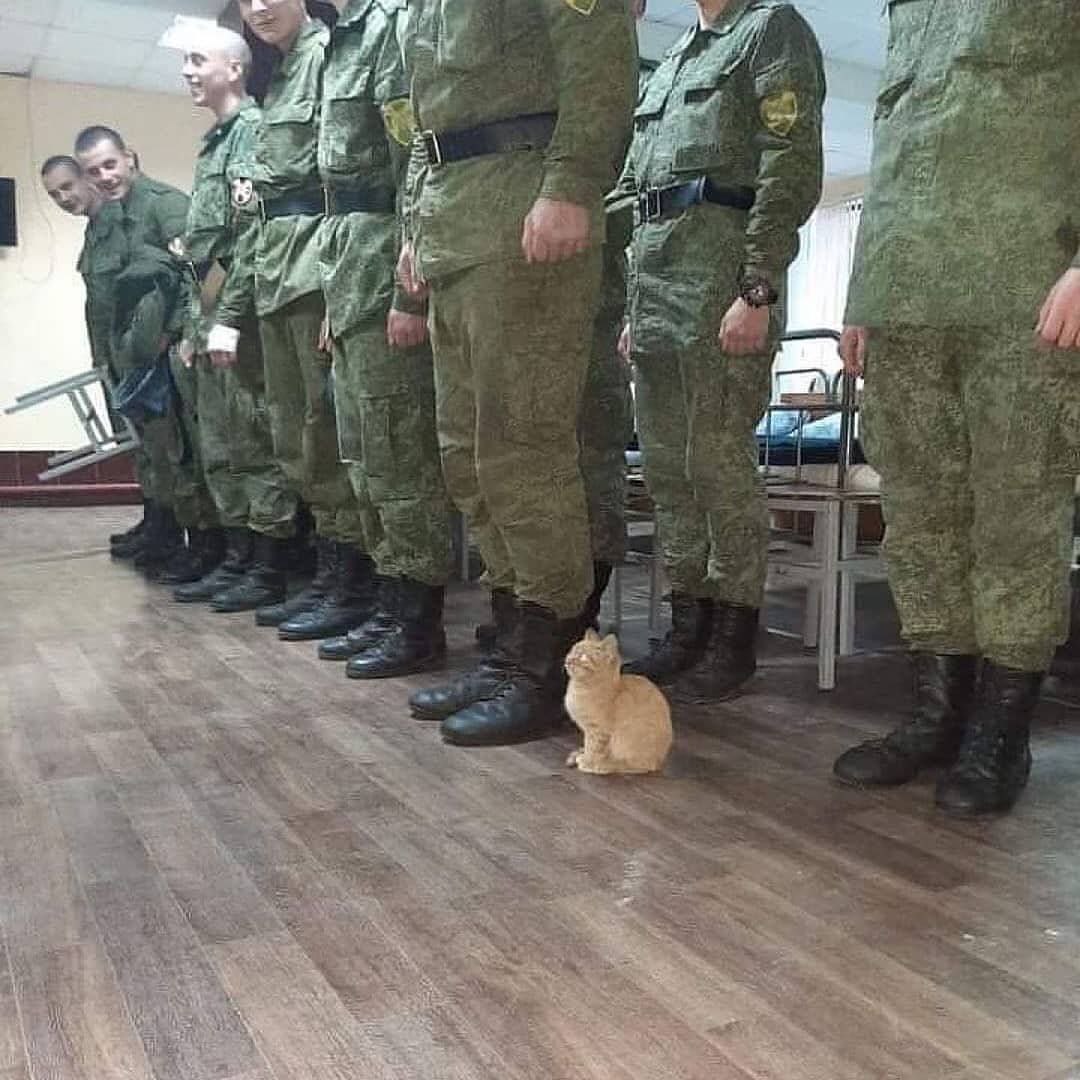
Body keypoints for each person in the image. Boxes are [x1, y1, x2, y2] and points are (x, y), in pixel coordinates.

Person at [831, 2, 1080, 817]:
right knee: (922, 518)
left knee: (1018, 511)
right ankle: (938, 715)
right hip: (906, 296)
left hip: (1025, 287)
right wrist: (864, 291)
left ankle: (998, 735)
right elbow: (898, 147)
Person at [400, 0, 638, 746]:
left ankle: (549, 663)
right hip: (454, 227)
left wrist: (569, 186)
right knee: (468, 458)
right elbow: (425, 124)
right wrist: (414, 224)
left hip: (525, 216)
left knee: (522, 451)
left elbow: (600, 63)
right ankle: (510, 650)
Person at [617, 0, 825, 703]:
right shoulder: (675, 60)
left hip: (720, 290)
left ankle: (733, 638)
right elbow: (639, 196)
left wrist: (758, 288)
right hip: (656, 296)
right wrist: (632, 305)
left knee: (716, 467)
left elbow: (789, 166)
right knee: (669, 475)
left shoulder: (771, 29)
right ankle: (688, 626)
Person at [211, 0, 378, 634]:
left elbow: (346, 189)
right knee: (298, 442)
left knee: (333, 440)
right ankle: (333, 578)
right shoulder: (273, 79)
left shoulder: (327, 58)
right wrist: (231, 312)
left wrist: (344, 291)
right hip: (278, 281)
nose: (257, 8)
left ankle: (358, 585)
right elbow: (259, 217)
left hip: (319, 276)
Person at [309, 0, 454, 673]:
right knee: (364, 459)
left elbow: (414, 168)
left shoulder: (388, 27)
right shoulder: (337, 41)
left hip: (383, 276)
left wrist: (408, 290)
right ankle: (389, 606)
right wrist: (333, 302)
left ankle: (418, 624)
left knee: (401, 459)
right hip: (349, 275)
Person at [162, 21, 301, 606]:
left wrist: (226, 315)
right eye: (185, 62)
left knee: (252, 439)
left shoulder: (250, 130)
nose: (188, 72)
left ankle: (267, 566)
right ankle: (240, 554)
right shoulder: (217, 140)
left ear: (235, 68)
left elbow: (247, 238)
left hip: (237, 309)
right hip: (210, 308)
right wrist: (196, 321)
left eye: (198, 60)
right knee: (220, 442)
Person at [75, 126, 216, 582]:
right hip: (139, 354)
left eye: (110, 165)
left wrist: (177, 334)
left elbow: (200, 277)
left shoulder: (164, 205)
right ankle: (172, 533)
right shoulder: (116, 216)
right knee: (157, 451)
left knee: (183, 451)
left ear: (129, 158)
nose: (105, 177)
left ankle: (206, 546)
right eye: (94, 171)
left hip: (173, 352)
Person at [40, 156, 145, 554]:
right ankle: (155, 521)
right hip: (111, 359)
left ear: (87, 178)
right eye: (54, 194)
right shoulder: (95, 230)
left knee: (161, 450)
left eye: (67, 186)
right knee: (137, 448)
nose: (63, 198)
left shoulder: (122, 221)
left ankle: (180, 536)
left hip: (137, 357)